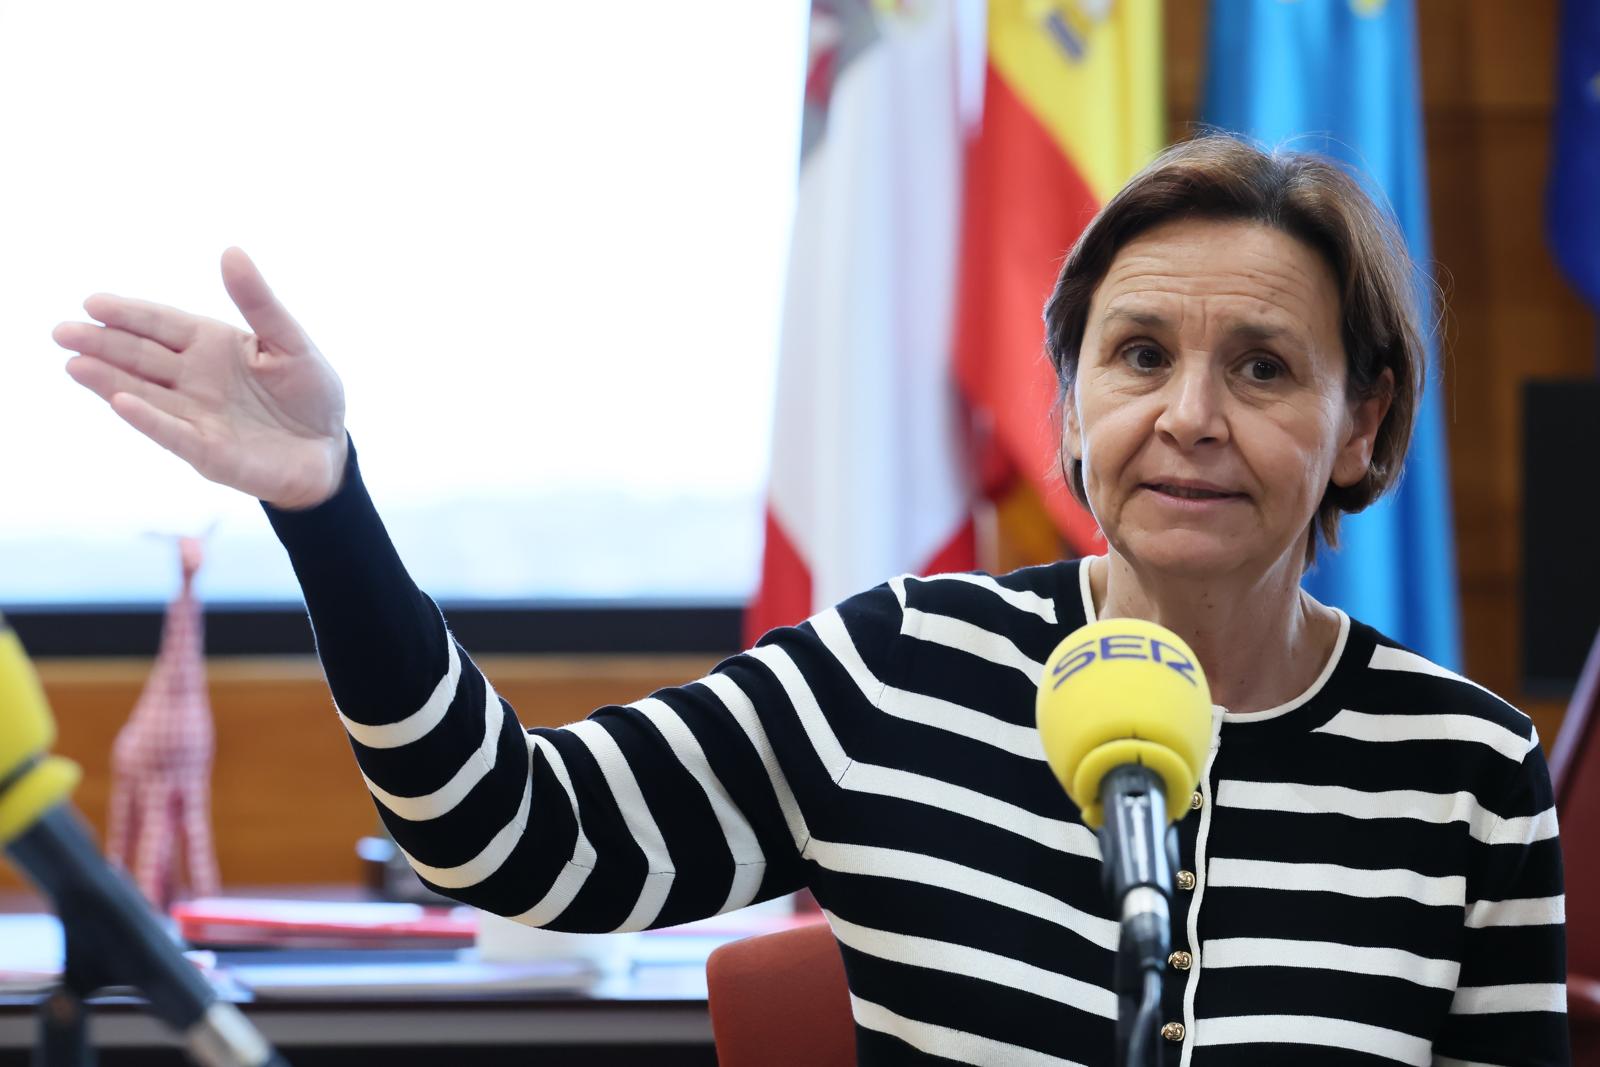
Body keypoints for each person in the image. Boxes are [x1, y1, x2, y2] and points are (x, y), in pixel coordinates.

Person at [54, 135, 1567, 1065]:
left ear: (1363, 423)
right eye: (1138, 354)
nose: (1186, 414)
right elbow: (502, 833)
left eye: (1260, 368)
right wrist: (326, 505)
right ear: (1066, 402)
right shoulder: (906, 669)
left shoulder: (1468, 775)